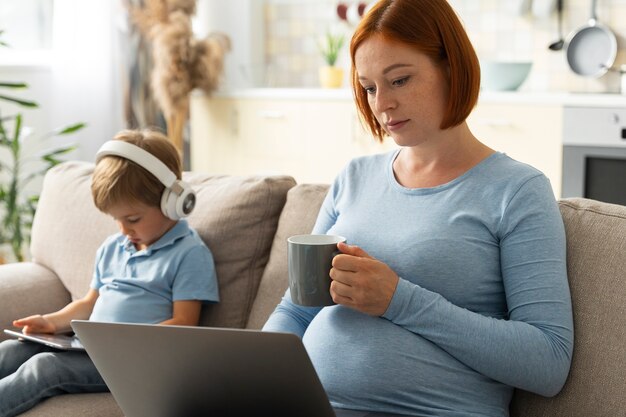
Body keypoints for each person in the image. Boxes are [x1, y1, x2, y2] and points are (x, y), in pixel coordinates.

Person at [263, 1, 574, 416]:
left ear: (452, 67)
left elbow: (548, 362)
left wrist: (398, 300)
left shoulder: (516, 191)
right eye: (369, 87)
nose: (381, 105)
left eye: (400, 80)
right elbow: (296, 310)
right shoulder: (354, 178)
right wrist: (253, 375)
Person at [0, 129, 219, 417]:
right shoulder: (114, 246)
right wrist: (50, 322)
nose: (124, 229)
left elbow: (184, 324)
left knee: (46, 367)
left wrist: (121, 340)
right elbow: (88, 303)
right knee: (10, 350)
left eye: (133, 219)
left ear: (174, 201)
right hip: (89, 350)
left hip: (134, 364)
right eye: (116, 220)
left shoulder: (189, 254)